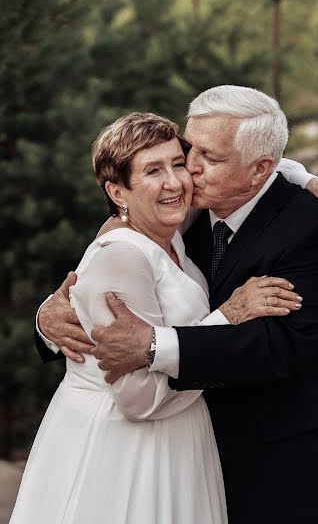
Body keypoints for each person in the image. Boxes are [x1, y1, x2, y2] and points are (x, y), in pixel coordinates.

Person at [37, 86, 318, 524]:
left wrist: (154, 346)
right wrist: (47, 320)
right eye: (188, 149)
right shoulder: (183, 212)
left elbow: (274, 349)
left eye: (207, 158)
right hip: (182, 460)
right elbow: (109, 270)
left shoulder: (311, 232)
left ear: (259, 171)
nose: (186, 171)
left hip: (288, 475)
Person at [13, 112, 301, 524]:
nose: (174, 182)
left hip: (180, 439)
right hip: (128, 451)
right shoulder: (123, 255)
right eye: (153, 171)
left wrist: (315, 183)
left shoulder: (173, 234)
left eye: (178, 164)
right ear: (117, 191)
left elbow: (257, 160)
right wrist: (228, 316)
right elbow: (137, 399)